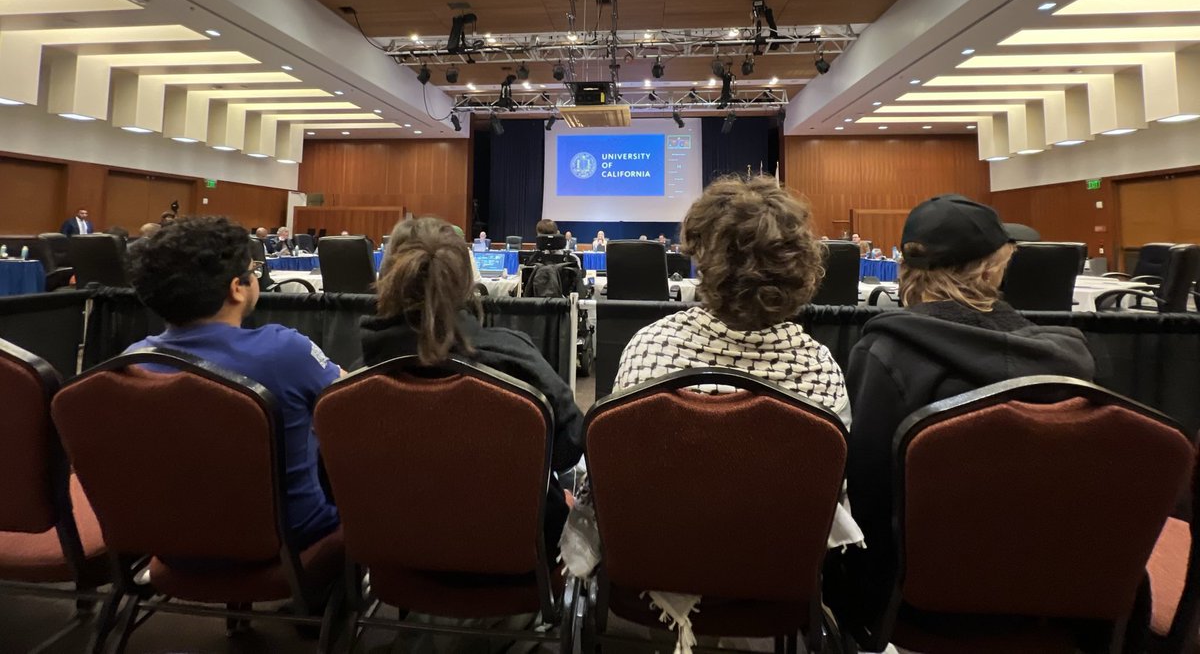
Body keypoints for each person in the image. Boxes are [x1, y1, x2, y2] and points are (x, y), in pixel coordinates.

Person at [842, 194, 1095, 622]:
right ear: (996, 266)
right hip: (1061, 597)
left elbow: (869, 498)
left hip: (916, 603)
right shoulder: (1073, 363)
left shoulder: (885, 353)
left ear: (904, 267)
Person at [361, 217, 584, 550]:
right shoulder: (516, 361)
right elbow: (569, 447)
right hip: (515, 551)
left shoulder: (356, 382)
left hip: (398, 554)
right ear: (466, 279)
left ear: (387, 277)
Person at [124, 216, 342, 548]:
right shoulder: (285, 350)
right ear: (237, 289)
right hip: (292, 541)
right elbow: (354, 399)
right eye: (253, 272)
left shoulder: (129, 363)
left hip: (171, 541)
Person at [615, 175, 849, 422]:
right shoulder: (822, 376)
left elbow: (613, 455)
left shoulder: (648, 352)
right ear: (800, 268)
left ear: (703, 259)